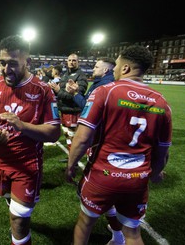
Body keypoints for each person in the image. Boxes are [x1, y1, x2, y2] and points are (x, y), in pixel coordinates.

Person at [65, 45, 172, 245]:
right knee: (132, 232)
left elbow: (82, 138)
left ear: (124, 68)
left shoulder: (105, 92)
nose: (113, 69)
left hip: (103, 175)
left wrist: (71, 167)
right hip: (137, 179)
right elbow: (163, 153)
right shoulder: (162, 103)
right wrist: (154, 173)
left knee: (85, 223)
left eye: (116, 66)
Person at [0, 35, 61, 245]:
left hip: (26, 165)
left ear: (27, 62)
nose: (6, 69)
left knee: (19, 220)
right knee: (12, 208)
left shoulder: (43, 90)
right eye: (2, 63)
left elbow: (54, 132)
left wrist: (22, 126)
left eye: (12, 64)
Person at [66, 57, 125, 244]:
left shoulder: (104, 88)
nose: (93, 68)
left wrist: (71, 165)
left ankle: (119, 235)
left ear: (107, 70)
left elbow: (88, 111)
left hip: (103, 150)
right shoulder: (154, 98)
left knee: (87, 213)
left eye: (97, 66)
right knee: (111, 202)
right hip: (126, 158)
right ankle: (118, 233)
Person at [49, 53, 88, 156]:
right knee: (68, 136)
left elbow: (76, 96)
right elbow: (63, 91)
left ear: (78, 62)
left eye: (74, 60)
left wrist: (58, 90)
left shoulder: (81, 76)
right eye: (70, 60)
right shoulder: (65, 75)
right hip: (64, 110)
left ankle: (74, 161)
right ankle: (71, 157)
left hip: (73, 111)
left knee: (73, 136)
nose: (71, 62)